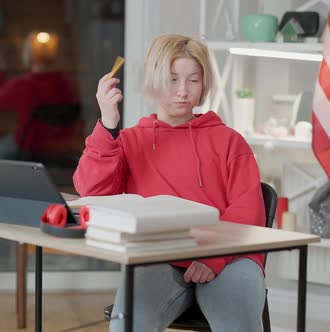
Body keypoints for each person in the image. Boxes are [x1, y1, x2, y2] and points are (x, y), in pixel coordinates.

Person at [73, 34, 266, 331]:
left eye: (193, 80)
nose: (182, 91)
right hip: (158, 259)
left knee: (237, 325)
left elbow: (248, 211)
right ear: (154, 81)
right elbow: (93, 193)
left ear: (204, 85)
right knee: (128, 325)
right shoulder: (129, 141)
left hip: (230, 257)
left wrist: (213, 256)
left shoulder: (230, 141)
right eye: (173, 79)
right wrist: (108, 123)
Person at [0, 31, 80, 160]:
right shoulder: (67, 83)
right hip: (63, 148)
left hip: (30, 147)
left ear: (27, 55)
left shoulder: (23, 85)